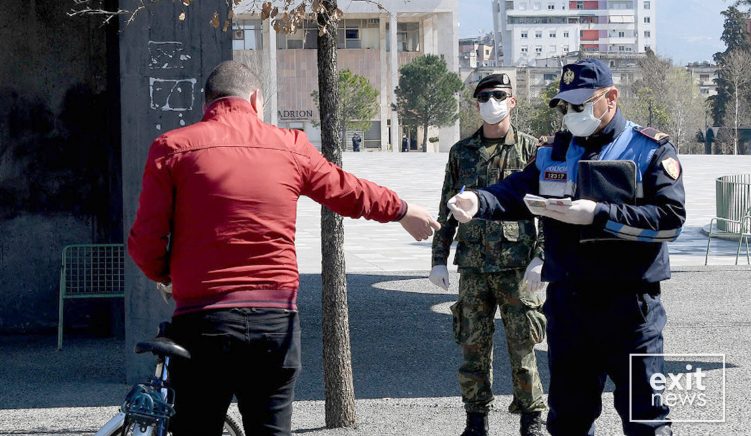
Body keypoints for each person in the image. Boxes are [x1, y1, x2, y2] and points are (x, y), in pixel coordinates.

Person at [127, 61, 440, 436]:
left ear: (206, 103)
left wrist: (167, 275)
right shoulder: (289, 145)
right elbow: (347, 190)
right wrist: (402, 210)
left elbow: (145, 240)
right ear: (256, 99)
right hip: (274, 324)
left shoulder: (173, 148)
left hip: (203, 321)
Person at [447, 59, 684, 436]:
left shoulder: (649, 150)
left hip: (629, 307)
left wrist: (599, 214)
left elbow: (669, 219)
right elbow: (515, 192)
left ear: (611, 98)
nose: (572, 114)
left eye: (581, 105)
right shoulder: (554, 152)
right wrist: (479, 202)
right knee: (568, 418)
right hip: (570, 305)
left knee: (645, 418)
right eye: (566, 107)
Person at [429, 73, 547, 436]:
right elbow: (447, 205)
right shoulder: (461, 152)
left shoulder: (532, 150)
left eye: (498, 95)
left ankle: (532, 420)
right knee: (473, 349)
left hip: (517, 266)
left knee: (523, 348)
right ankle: (475, 421)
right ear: (476, 104)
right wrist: (438, 256)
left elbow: (548, 208)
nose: (491, 102)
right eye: (484, 97)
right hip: (474, 267)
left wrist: (542, 256)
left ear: (512, 101)